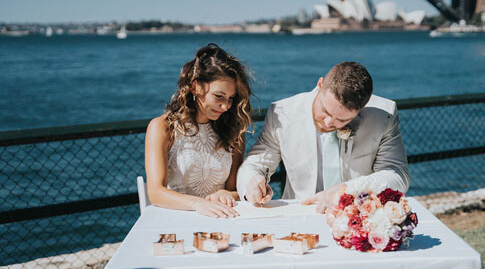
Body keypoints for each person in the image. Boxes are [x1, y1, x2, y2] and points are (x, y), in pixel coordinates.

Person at [237, 61, 409, 213]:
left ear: (361, 110)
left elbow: (396, 175)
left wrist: (349, 189)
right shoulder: (281, 113)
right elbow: (255, 164)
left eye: (342, 120)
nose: (328, 123)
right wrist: (252, 183)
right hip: (299, 214)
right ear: (320, 84)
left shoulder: (383, 116)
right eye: (324, 111)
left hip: (358, 217)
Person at [145, 44, 252, 218]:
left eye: (231, 99)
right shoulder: (162, 128)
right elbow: (156, 193)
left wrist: (227, 195)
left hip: (223, 219)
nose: (225, 106)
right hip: (178, 218)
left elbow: (236, 191)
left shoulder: (234, 130)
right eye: (219, 96)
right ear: (196, 87)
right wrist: (198, 204)